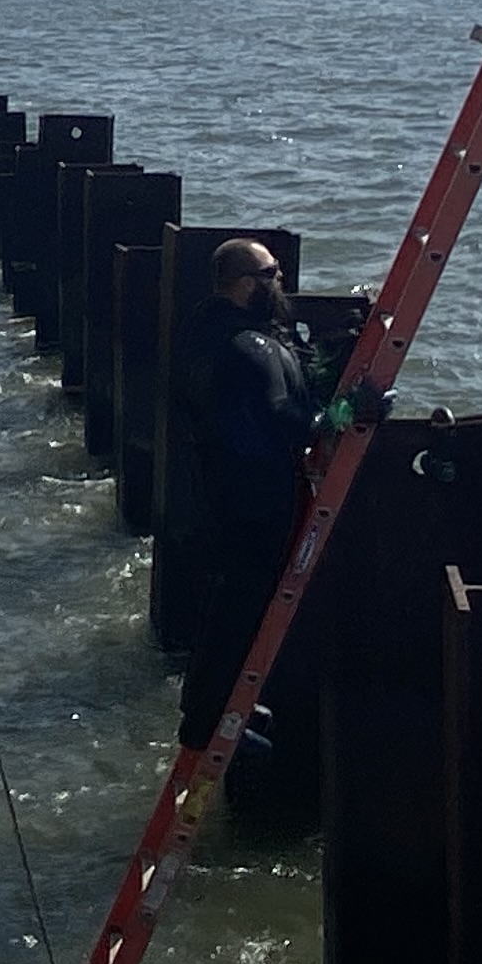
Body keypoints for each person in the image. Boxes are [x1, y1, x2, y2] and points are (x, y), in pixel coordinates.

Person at [176, 235, 319, 751]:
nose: (280, 281)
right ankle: (205, 720)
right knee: (236, 602)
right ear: (242, 284)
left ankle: (224, 702)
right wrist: (340, 416)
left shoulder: (223, 330)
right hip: (247, 498)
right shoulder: (239, 348)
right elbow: (277, 421)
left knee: (241, 600)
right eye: (270, 274)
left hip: (235, 489)